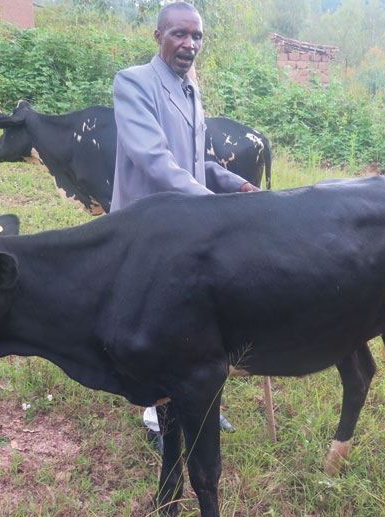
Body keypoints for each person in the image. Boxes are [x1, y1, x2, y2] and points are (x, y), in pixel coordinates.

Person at [111, 2, 257, 451]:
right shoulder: (133, 83)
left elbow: (196, 162)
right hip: (147, 228)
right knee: (155, 326)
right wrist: (212, 206)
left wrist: (235, 184)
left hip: (186, 223)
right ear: (158, 36)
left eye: (197, 36)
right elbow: (155, 160)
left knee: (192, 320)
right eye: (179, 33)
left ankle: (196, 402)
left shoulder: (191, 88)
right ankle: (154, 417)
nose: (189, 44)